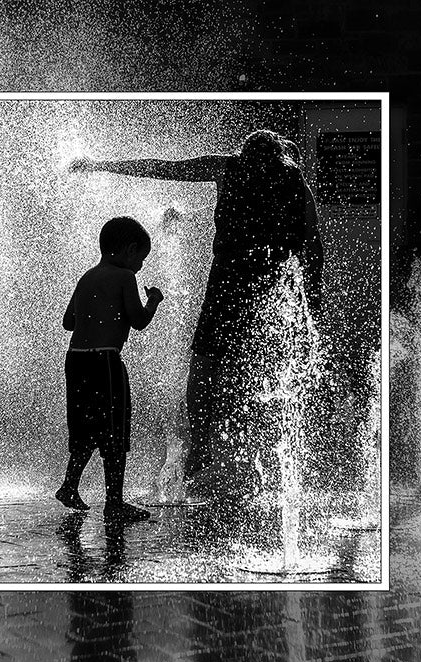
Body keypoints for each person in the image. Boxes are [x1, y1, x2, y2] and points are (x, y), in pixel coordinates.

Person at [70, 130, 321, 495]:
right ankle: (257, 457)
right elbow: (313, 237)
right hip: (274, 286)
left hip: (230, 281)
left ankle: (203, 444)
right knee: (259, 366)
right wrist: (313, 298)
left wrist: (101, 165)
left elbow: (164, 168)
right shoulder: (291, 178)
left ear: (245, 152)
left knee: (205, 363)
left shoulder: (231, 167)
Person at [56, 216, 163, 522]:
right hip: (105, 360)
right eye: (141, 259)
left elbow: (68, 323)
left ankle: (69, 486)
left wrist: (96, 312)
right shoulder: (124, 277)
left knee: (86, 428)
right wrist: (152, 301)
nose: (140, 266)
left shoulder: (88, 277)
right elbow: (139, 320)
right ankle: (114, 503)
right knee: (114, 429)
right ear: (129, 251)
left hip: (76, 360)